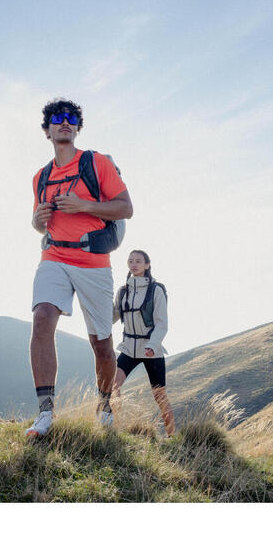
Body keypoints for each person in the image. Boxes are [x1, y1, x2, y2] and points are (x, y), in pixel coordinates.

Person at [27, 97, 133, 437]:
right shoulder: (40, 177)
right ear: (46, 130)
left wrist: (83, 205)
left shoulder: (96, 163)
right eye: (57, 118)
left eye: (72, 118)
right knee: (42, 318)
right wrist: (38, 220)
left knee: (101, 344)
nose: (65, 122)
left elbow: (126, 208)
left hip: (93, 264)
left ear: (77, 127)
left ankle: (104, 405)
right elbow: (38, 223)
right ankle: (45, 414)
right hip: (54, 258)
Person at [113, 249, 175, 436]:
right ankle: (115, 430)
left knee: (159, 395)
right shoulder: (123, 291)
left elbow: (162, 324)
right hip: (129, 349)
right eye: (131, 260)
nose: (134, 264)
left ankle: (172, 436)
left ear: (147, 265)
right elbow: (113, 315)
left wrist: (152, 345)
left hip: (151, 350)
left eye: (139, 261)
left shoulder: (156, 290)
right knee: (113, 386)